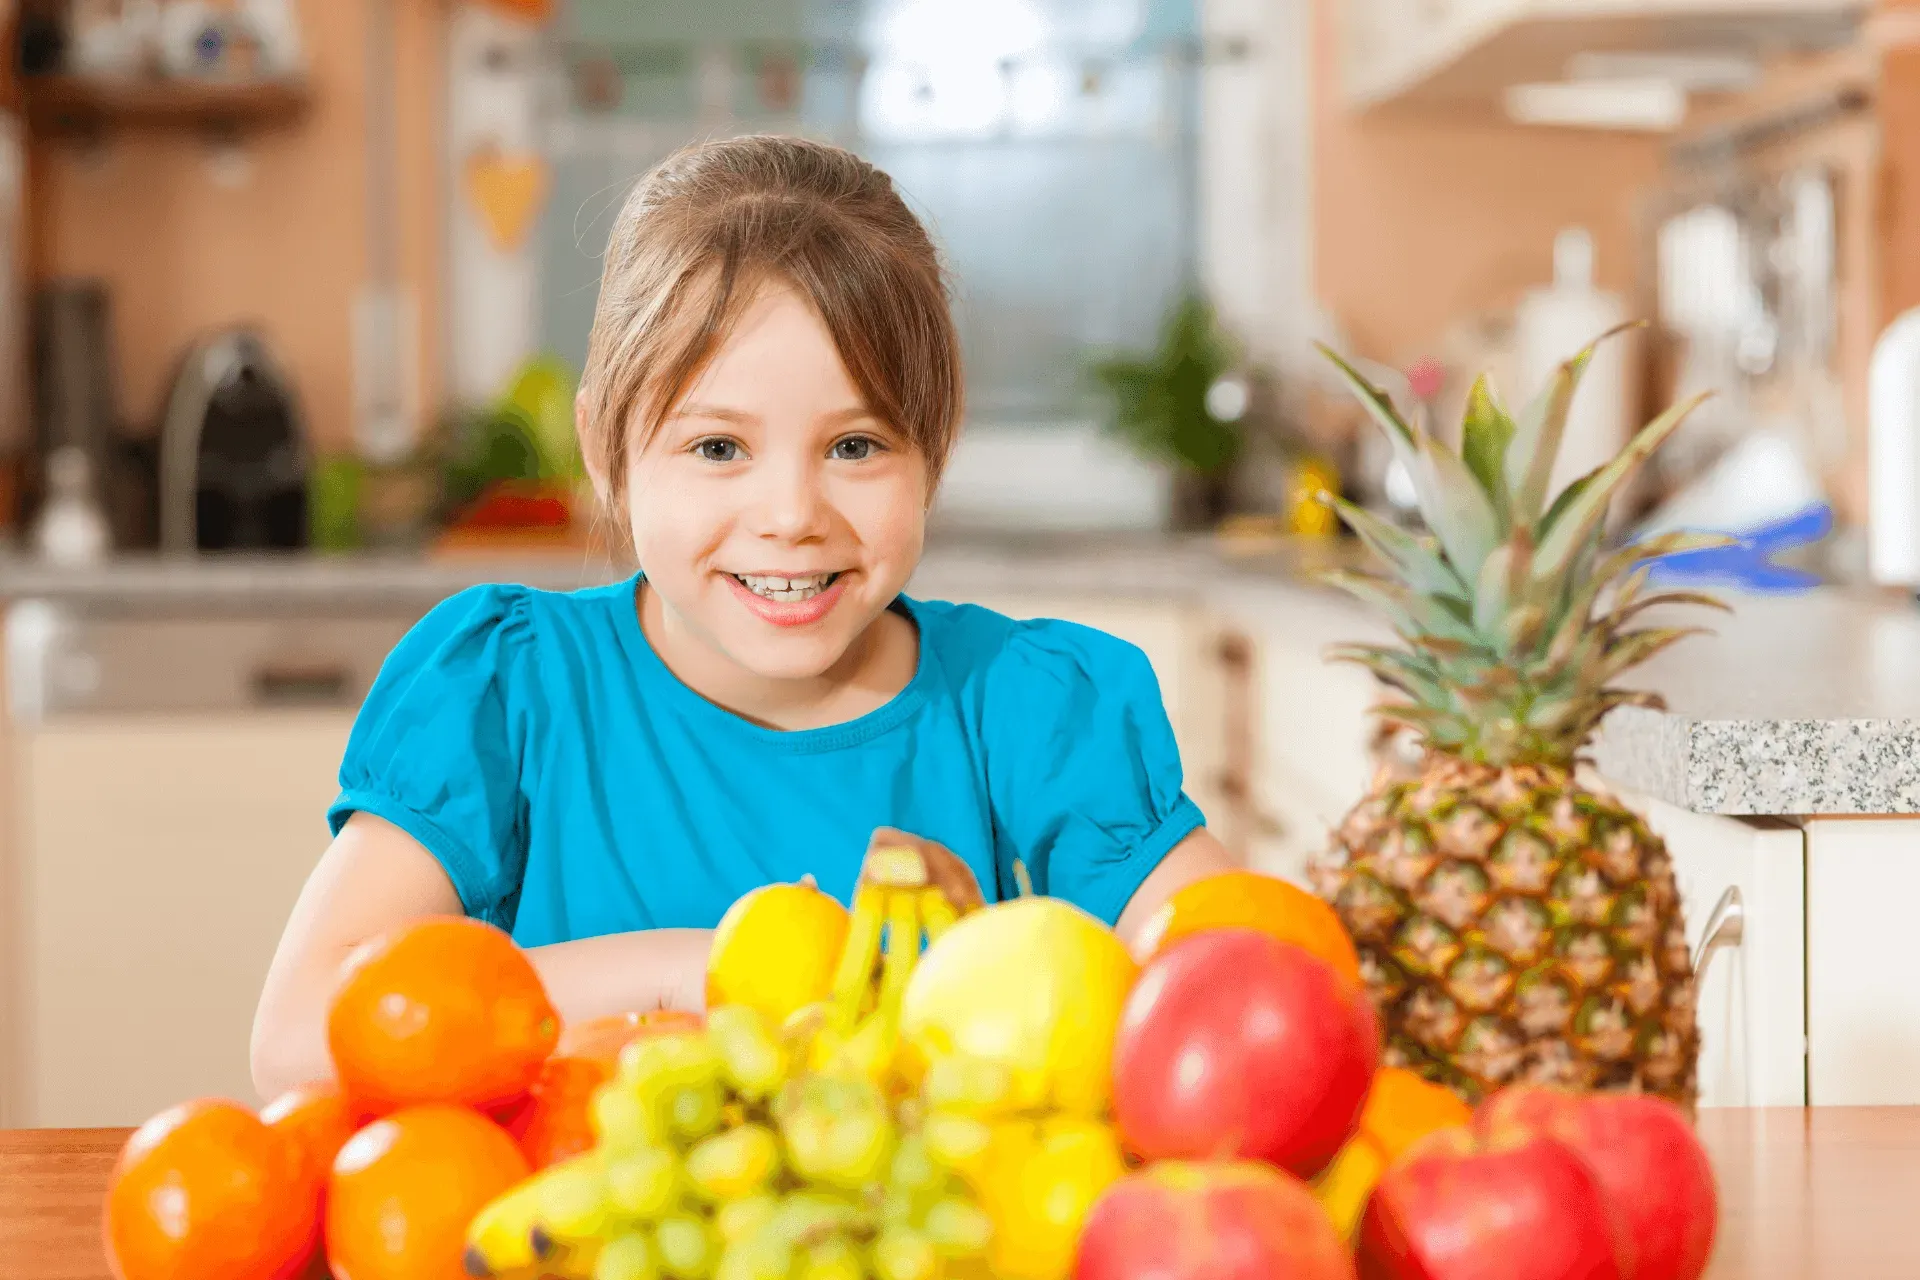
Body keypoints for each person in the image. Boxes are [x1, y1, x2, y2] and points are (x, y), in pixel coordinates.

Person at [250, 134, 1238, 1100]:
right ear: (607, 448)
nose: (790, 516)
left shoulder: (1027, 712)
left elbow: (1238, 988)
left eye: (855, 445)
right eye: (719, 447)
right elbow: (298, 1036)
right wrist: (701, 971)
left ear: (936, 444)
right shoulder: (513, 693)